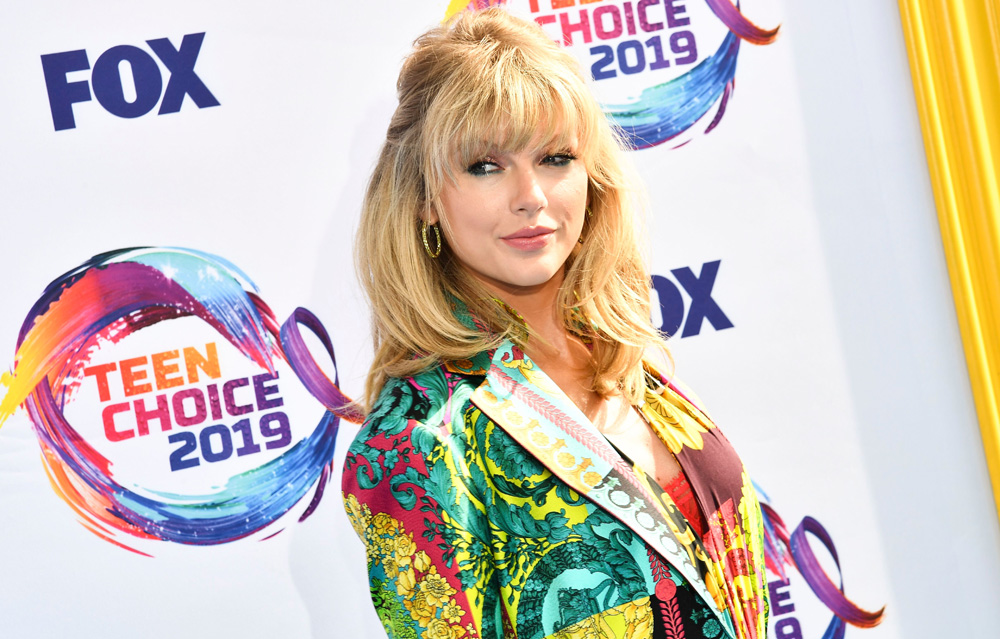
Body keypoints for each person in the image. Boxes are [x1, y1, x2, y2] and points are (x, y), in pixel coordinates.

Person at [342, 8, 769, 639]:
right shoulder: (416, 442)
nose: (530, 196)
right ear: (426, 200)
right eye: (485, 165)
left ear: (592, 178)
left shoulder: (631, 366)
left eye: (555, 158)